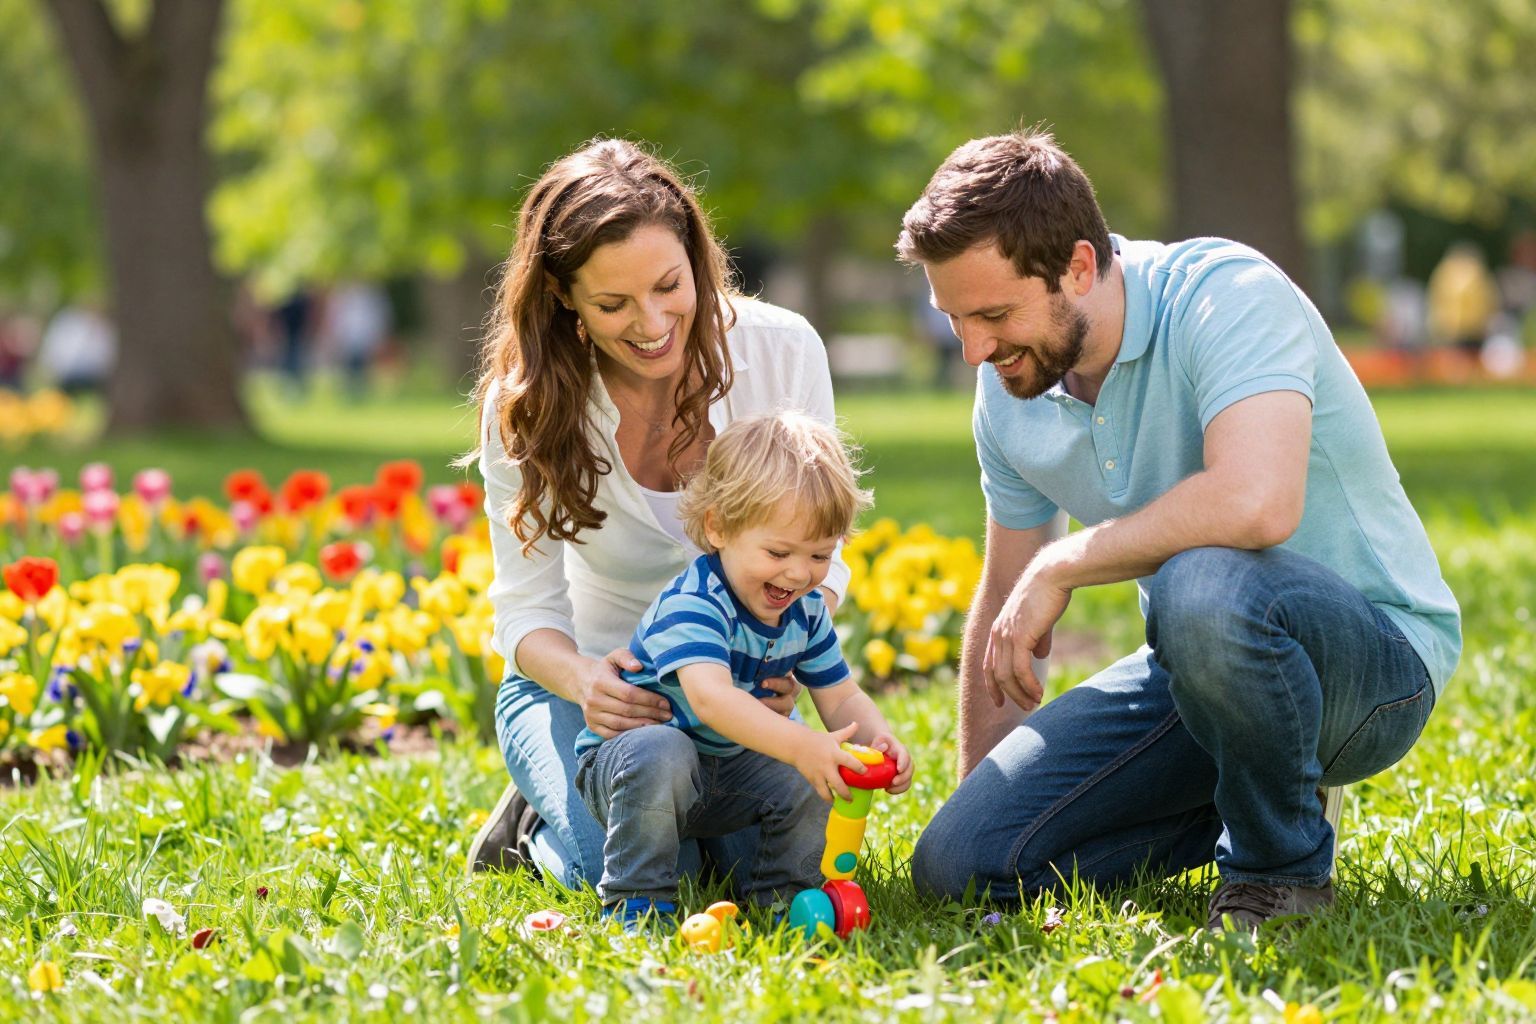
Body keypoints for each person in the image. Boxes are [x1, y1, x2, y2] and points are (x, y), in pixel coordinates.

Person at [898, 129, 1461, 931]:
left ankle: (1278, 873)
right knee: (959, 863)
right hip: (1200, 670)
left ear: (1080, 267)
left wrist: (1066, 564)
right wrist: (989, 805)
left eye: (993, 314)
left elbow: (1257, 504)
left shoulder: (1225, 294)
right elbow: (1003, 604)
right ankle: (1254, 795)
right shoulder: (1009, 386)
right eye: (954, 318)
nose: (974, 350)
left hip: (1371, 665)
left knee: (1203, 580)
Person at [463, 139, 852, 892]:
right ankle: (541, 816)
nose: (652, 323)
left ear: (698, 263)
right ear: (562, 297)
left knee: (768, 870)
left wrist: (782, 652)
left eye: (670, 286)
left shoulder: (780, 350)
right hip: (599, 692)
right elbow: (525, 612)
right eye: (613, 304)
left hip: (734, 689)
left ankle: (670, 813)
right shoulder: (531, 408)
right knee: (635, 870)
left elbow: (822, 546)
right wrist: (584, 680)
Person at [574, 412, 911, 925]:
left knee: (815, 772)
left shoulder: (807, 610)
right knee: (665, 750)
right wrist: (801, 745)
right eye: (778, 551)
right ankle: (636, 902)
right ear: (718, 527)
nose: (799, 573)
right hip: (634, 769)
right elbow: (710, 698)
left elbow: (840, 696)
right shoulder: (694, 603)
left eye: (820, 554)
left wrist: (877, 741)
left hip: (727, 770)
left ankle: (785, 898)